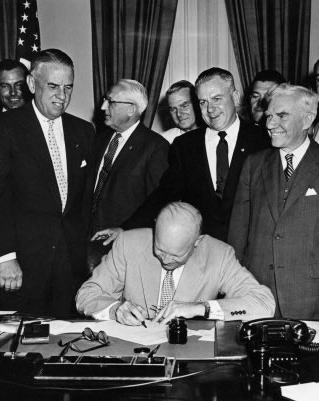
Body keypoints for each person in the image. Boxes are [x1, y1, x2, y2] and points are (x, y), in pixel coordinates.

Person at [0, 49, 95, 316]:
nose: (61, 96)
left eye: (68, 87)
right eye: (52, 86)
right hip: (22, 266)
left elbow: (83, 201)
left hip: (71, 266)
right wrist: (6, 258)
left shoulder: (84, 131)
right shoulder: (1, 129)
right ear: (32, 84)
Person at [95, 67, 270, 244]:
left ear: (234, 96)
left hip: (251, 248)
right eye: (203, 102)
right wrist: (124, 228)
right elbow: (163, 195)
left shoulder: (262, 140)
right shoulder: (185, 146)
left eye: (217, 99)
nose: (210, 109)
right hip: (201, 250)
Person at [228, 83, 319, 320]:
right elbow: (237, 235)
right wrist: (235, 292)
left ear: (307, 120)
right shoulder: (254, 165)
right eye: (268, 116)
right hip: (256, 295)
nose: (270, 124)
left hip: (310, 298)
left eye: (281, 116)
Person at [77, 202, 275, 325]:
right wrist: (115, 310)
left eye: (176, 255)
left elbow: (263, 304)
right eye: (160, 250)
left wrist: (199, 308)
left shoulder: (219, 254)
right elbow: (86, 295)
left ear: (197, 242)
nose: (166, 259)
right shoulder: (128, 243)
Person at [87, 79, 169, 244]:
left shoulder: (156, 147)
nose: (103, 107)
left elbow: (157, 204)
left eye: (111, 102)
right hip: (86, 234)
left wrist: (124, 230)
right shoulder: (99, 138)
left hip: (124, 240)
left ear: (132, 109)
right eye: (105, 99)